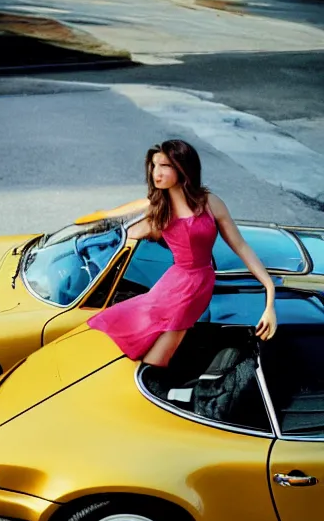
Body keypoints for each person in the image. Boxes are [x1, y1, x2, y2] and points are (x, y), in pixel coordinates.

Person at [84, 139, 277, 376]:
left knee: (155, 361)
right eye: (154, 166)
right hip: (172, 282)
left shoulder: (209, 203)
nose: (157, 172)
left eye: (164, 165)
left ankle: (152, 393)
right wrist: (86, 232)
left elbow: (241, 246)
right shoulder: (155, 207)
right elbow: (110, 221)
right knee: (118, 326)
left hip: (196, 286)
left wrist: (270, 296)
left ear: (182, 167)